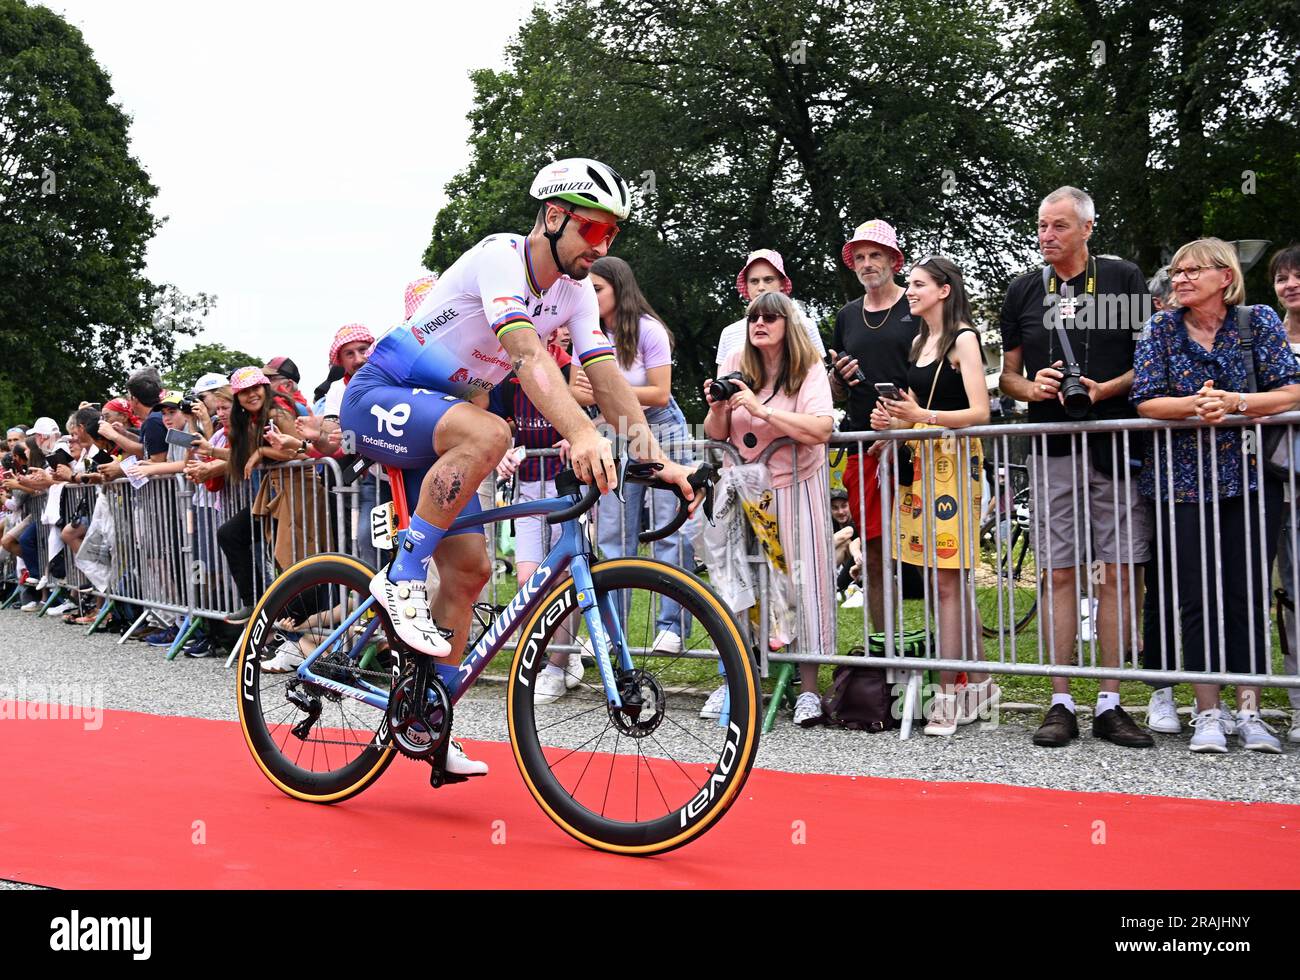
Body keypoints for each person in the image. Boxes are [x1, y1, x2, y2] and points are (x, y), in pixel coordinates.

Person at [339, 158, 701, 778]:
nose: (602, 246)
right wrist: (582, 433)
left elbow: (607, 378)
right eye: (594, 231)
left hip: (450, 423)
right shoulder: (499, 256)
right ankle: (398, 577)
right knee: (493, 429)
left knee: (474, 572)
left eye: (612, 235)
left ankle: (425, 719)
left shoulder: (578, 292)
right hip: (381, 392)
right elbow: (527, 352)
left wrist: (659, 459)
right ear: (554, 217)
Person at [997, 186, 1154, 749]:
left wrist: (1103, 388)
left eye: (1059, 226)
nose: (1046, 236)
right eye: (1041, 225)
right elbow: (1006, 376)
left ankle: (1111, 702)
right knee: (1059, 571)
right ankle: (1059, 699)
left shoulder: (1123, 278)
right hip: (1052, 448)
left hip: (1114, 444)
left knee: (1114, 573)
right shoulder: (1021, 289)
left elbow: (1149, 358)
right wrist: (1030, 386)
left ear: (1088, 228)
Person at [1133, 237, 1300, 754]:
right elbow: (1145, 401)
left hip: (1251, 480)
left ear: (1224, 277)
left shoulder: (1259, 322)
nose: (1179, 279)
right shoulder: (1160, 327)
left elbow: (1293, 389)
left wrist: (1238, 402)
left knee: (1246, 594)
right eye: (1175, 271)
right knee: (1195, 596)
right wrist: (1193, 407)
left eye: (1191, 271)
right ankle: (1207, 711)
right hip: (1179, 482)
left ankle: (1250, 711)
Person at [871, 256, 994, 735]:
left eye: (919, 285)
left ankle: (948, 694)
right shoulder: (921, 341)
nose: (912, 291)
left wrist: (921, 415)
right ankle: (981, 686)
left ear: (944, 290)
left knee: (948, 581)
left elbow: (979, 412)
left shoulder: (963, 338)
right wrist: (896, 423)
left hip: (955, 468)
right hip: (921, 468)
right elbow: (919, 413)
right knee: (947, 582)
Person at [704, 290, 836, 727]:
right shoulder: (735, 365)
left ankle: (810, 689)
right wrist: (719, 405)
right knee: (739, 584)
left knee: (803, 582)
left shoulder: (808, 367)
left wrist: (761, 410)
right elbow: (716, 431)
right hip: (745, 488)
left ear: (787, 323)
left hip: (795, 485)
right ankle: (739, 684)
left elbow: (820, 427)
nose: (759, 323)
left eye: (770, 317)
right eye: (753, 316)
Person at [575, 254, 696, 654]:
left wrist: (606, 391)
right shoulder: (586, 333)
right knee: (613, 536)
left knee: (670, 531)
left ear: (619, 289)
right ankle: (613, 632)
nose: (590, 298)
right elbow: (576, 390)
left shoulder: (649, 330)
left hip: (664, 428)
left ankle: (672, 628)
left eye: (598, 290)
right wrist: (600, 395)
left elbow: (661, 392)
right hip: (613, 431)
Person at [827, 219, 919, 637]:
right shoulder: (847, 316)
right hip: (865, 447)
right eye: (859, 257)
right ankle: (885, 650)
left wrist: (909, 421)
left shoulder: (917, 306)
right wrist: (838, 379)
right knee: (877, 553)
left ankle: (950, 658)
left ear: (893, 260)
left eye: (874, 255)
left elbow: (938, 374)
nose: (867, 264)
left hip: (918, 444)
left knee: (931, 555)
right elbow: (837, 393)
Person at [489, 324, 585, 702]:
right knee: (530, 580)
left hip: (567, 488)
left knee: (564, 577)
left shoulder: (571, 369)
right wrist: (504, 451)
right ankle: (556, 658)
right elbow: (499, 425)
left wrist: (578, 434)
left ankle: (560, 665)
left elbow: (599, 419)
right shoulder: (507, 375)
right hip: (528, 487)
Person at [1270, 244, 1300, 745]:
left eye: (1299, 275)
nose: (1291, 284)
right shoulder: (1266, 334)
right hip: (1281, 478)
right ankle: (1298, 703)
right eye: (1282, 278)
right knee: (1292, 592)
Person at [714, 249, 825, 369]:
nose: (761, 287)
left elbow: (820, 377)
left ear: (782, 283)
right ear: (746, 286)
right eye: (754, 281)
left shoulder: (805, 325)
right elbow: (722, 378)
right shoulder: (729, 333)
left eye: (768, 280)